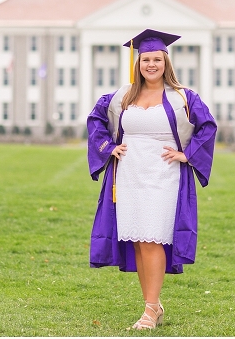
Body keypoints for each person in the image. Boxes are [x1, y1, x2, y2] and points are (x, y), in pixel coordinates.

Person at [87, 29, 217, 330]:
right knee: (137, 240)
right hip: (129, 173)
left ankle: (149, 309)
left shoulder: (182, 97)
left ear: (166, 61)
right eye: (146, 59)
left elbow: (207, 126)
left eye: (157, 59)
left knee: (152, 237)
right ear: (138, 62)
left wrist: (187, 154)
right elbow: (95, 121)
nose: (151, 64)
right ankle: (153, 306)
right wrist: (109, 147)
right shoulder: (122, 96)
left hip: (164, 174)